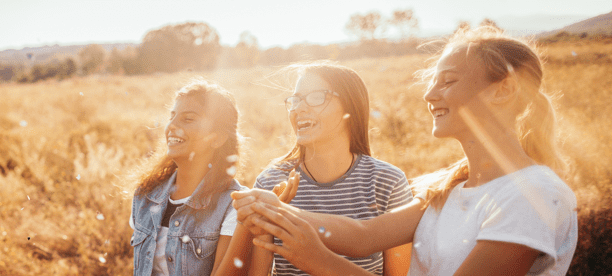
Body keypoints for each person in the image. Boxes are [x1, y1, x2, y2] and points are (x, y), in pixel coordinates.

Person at [232, 26, 577, 276]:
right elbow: (364, 235)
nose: (429, 94)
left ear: (504, 90)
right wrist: (272, 208)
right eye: (432, 81)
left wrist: (322, 263)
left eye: (448, 81)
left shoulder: (533, 195)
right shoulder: (449, 189)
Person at [214, 62, 414, 276]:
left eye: (316, 97)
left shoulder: (388, 182)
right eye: (296, 100)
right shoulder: (271, 182)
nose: (299, 108)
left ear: (350, 107)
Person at [129, 79, 247, 275]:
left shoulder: (233, 204)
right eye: (172, 116)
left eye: (188, 119)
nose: (172, 126)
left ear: (217, 138)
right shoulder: (145, 195)